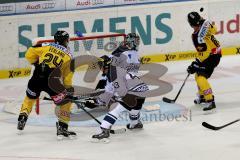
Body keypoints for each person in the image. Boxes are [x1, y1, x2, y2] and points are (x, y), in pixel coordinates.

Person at [17, 30, 77, 140]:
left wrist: (36, 63)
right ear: (66, 41)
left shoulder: (46, 46)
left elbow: (29, 54)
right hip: (52, 83)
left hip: (36, 77)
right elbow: (67, 78)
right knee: (65, 102)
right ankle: (62, 127)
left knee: (30, 98)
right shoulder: (69, 56)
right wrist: (68, 91)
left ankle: (23, 115)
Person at [86, 55, 148, 142]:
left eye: (100, 66)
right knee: (134, 109)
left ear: (104, 66)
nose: (99, 68)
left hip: (133, 92)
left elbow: (121, 92)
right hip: (143, 90)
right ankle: (135, 124)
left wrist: (113, 98)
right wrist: (96, 102)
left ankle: (104, 130)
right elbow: (109, 91)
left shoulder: (113, 74)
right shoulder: (113, 71)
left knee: (116, 110)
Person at [187, 12, 221, 111]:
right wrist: (196, 63)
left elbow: (204, 54)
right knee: (198, 75)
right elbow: (215, 29)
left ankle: (210, 101)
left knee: (201, 77)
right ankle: (202, 97)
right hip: (214, 54)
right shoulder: (206, 25)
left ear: (190, 24)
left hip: (212, 57)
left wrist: (196, 65)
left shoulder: (195, 37)